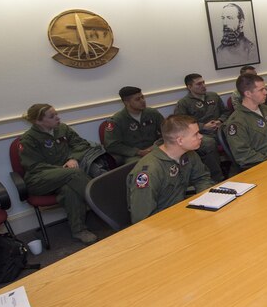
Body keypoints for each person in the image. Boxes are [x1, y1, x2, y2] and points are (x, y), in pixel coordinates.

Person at [20, 104, 104, 244]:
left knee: (69, 190)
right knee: (74, 174)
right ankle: (104, 203)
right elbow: (34, 166)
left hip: (66, 176)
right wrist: (62, 170)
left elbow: (81, 144)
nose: (58, 117)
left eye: (56, 114)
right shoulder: (28, 139)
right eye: (52, 116)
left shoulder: (62, 129)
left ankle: (79, 231)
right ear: (38, 121)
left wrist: (72, 158)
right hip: (40, 179)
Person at [127, 115, 214, 223]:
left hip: (182, 212)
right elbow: (143, 218)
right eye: (196, 134)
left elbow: (202, 178)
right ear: (180, 141)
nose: (200, 136)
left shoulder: (188, 154)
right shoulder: (149, 172)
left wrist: (205, 200)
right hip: (163, 223)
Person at [223, 73, 267, 169]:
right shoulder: (237, 122)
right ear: (248, 94)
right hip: (263, 166)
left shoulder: (266, 110)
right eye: (261, 90)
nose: (266, 92)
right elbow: (243, 155)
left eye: (265, 88)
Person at [173, 73, 227, 182]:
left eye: (203, 82)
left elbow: (226, 112)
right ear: (189, 87)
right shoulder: (184, 103)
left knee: (236, 133)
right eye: (198, 84)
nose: (203, 85)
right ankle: (217, 178)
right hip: (200, 134)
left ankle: (241, 166)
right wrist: (203, 126)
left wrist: (220, 121)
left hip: (220, 129)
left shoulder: (213, 96)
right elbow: (181, 124)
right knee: (209, 144)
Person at [102, 86, 164, 165]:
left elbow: (168, 132)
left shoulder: (152, 113)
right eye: (137, 99)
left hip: (155, 148)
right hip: (133, 156)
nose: (143, 101)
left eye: (142, 97)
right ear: (126, 102)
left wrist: (156, 145)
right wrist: (138, 152)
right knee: (143, 166)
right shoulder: (116, 120)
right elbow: (111, 145)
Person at [214, 2, 259, 67]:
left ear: (241, 22)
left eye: (229, 18)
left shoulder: (250, 48)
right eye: (223, 18)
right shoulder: (219, 49)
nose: (225, 23)